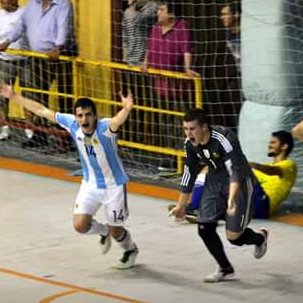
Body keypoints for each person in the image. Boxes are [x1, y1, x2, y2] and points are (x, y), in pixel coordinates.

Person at [0, 82, 139, 269]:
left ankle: (129, 249)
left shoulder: (105, 128)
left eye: (88, 115)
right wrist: (14, 97)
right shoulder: (71, 124)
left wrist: (126, 109)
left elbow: (117, 120)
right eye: (80, 115)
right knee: (80, 225)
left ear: (95, 116)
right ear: (76, 117)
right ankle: (103, 230)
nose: (84, 119)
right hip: (90, 184)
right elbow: (42, 110)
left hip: (114, 186)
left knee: (117, 231)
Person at [170, 108, 268, 283]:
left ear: (204, 128)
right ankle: (225, 269)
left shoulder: (224, 138)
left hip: (239, 182)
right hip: (214, 181)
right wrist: (180, 205)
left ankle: (259, 238)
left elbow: (235, 171)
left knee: (234, 238)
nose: (188, 133)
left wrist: (231, 199)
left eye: (192, 129)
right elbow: (189, 172)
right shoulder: (189, 144)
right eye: (185, 129)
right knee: (204, 228)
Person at [0, 0, 78, 147]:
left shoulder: (63, 4)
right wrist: (8, 41)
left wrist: (58, 47)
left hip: (61, 55)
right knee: (38, 96)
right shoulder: (32, 6)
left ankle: (67, 137)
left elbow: (63, 27)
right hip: (37, 57)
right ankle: (39, 134)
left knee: (64, 97)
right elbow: (20, 26)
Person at [173, 130, 297, 221]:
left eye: (274, 142)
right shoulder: (265, 166)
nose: (269, 145)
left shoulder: (289, 165)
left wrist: (248, 165)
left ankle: (194, 207)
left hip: (262, 204)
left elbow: (272, 170)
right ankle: (202, 210)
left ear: (284, 146)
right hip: (250, 202)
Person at [121, 0, 157, 142]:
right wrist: (125, 56)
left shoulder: (152, 7)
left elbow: (146, 25)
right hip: (130, 63)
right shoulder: (128, 12)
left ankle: (151, 137)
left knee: (148, 102)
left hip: (145, 64)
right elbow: (124, 35)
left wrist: (146, 60)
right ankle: (134, 136)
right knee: (132, 101)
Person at [0, 0, 27, 141]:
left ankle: (31, 128)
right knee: (3, 96)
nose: (3, 3)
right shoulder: (0, 15)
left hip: (26, 60)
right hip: (4, 60)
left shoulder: (25, 12)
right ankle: (4, 126)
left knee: (28, 95)